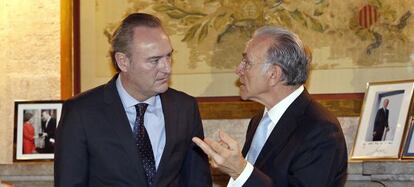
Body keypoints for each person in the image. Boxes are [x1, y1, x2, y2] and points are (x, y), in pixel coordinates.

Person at [54, 13, 211, 187]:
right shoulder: (80, 112)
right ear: (123, 62)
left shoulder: (185, 108)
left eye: (169, 56)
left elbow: (198, 180)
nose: (167, 68)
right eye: (154, 60)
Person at [193, 26, 348, 186]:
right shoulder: (258, 120)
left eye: (247, 63)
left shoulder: (321, 129)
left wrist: (240, 170)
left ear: (274, 74)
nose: (238, 70)